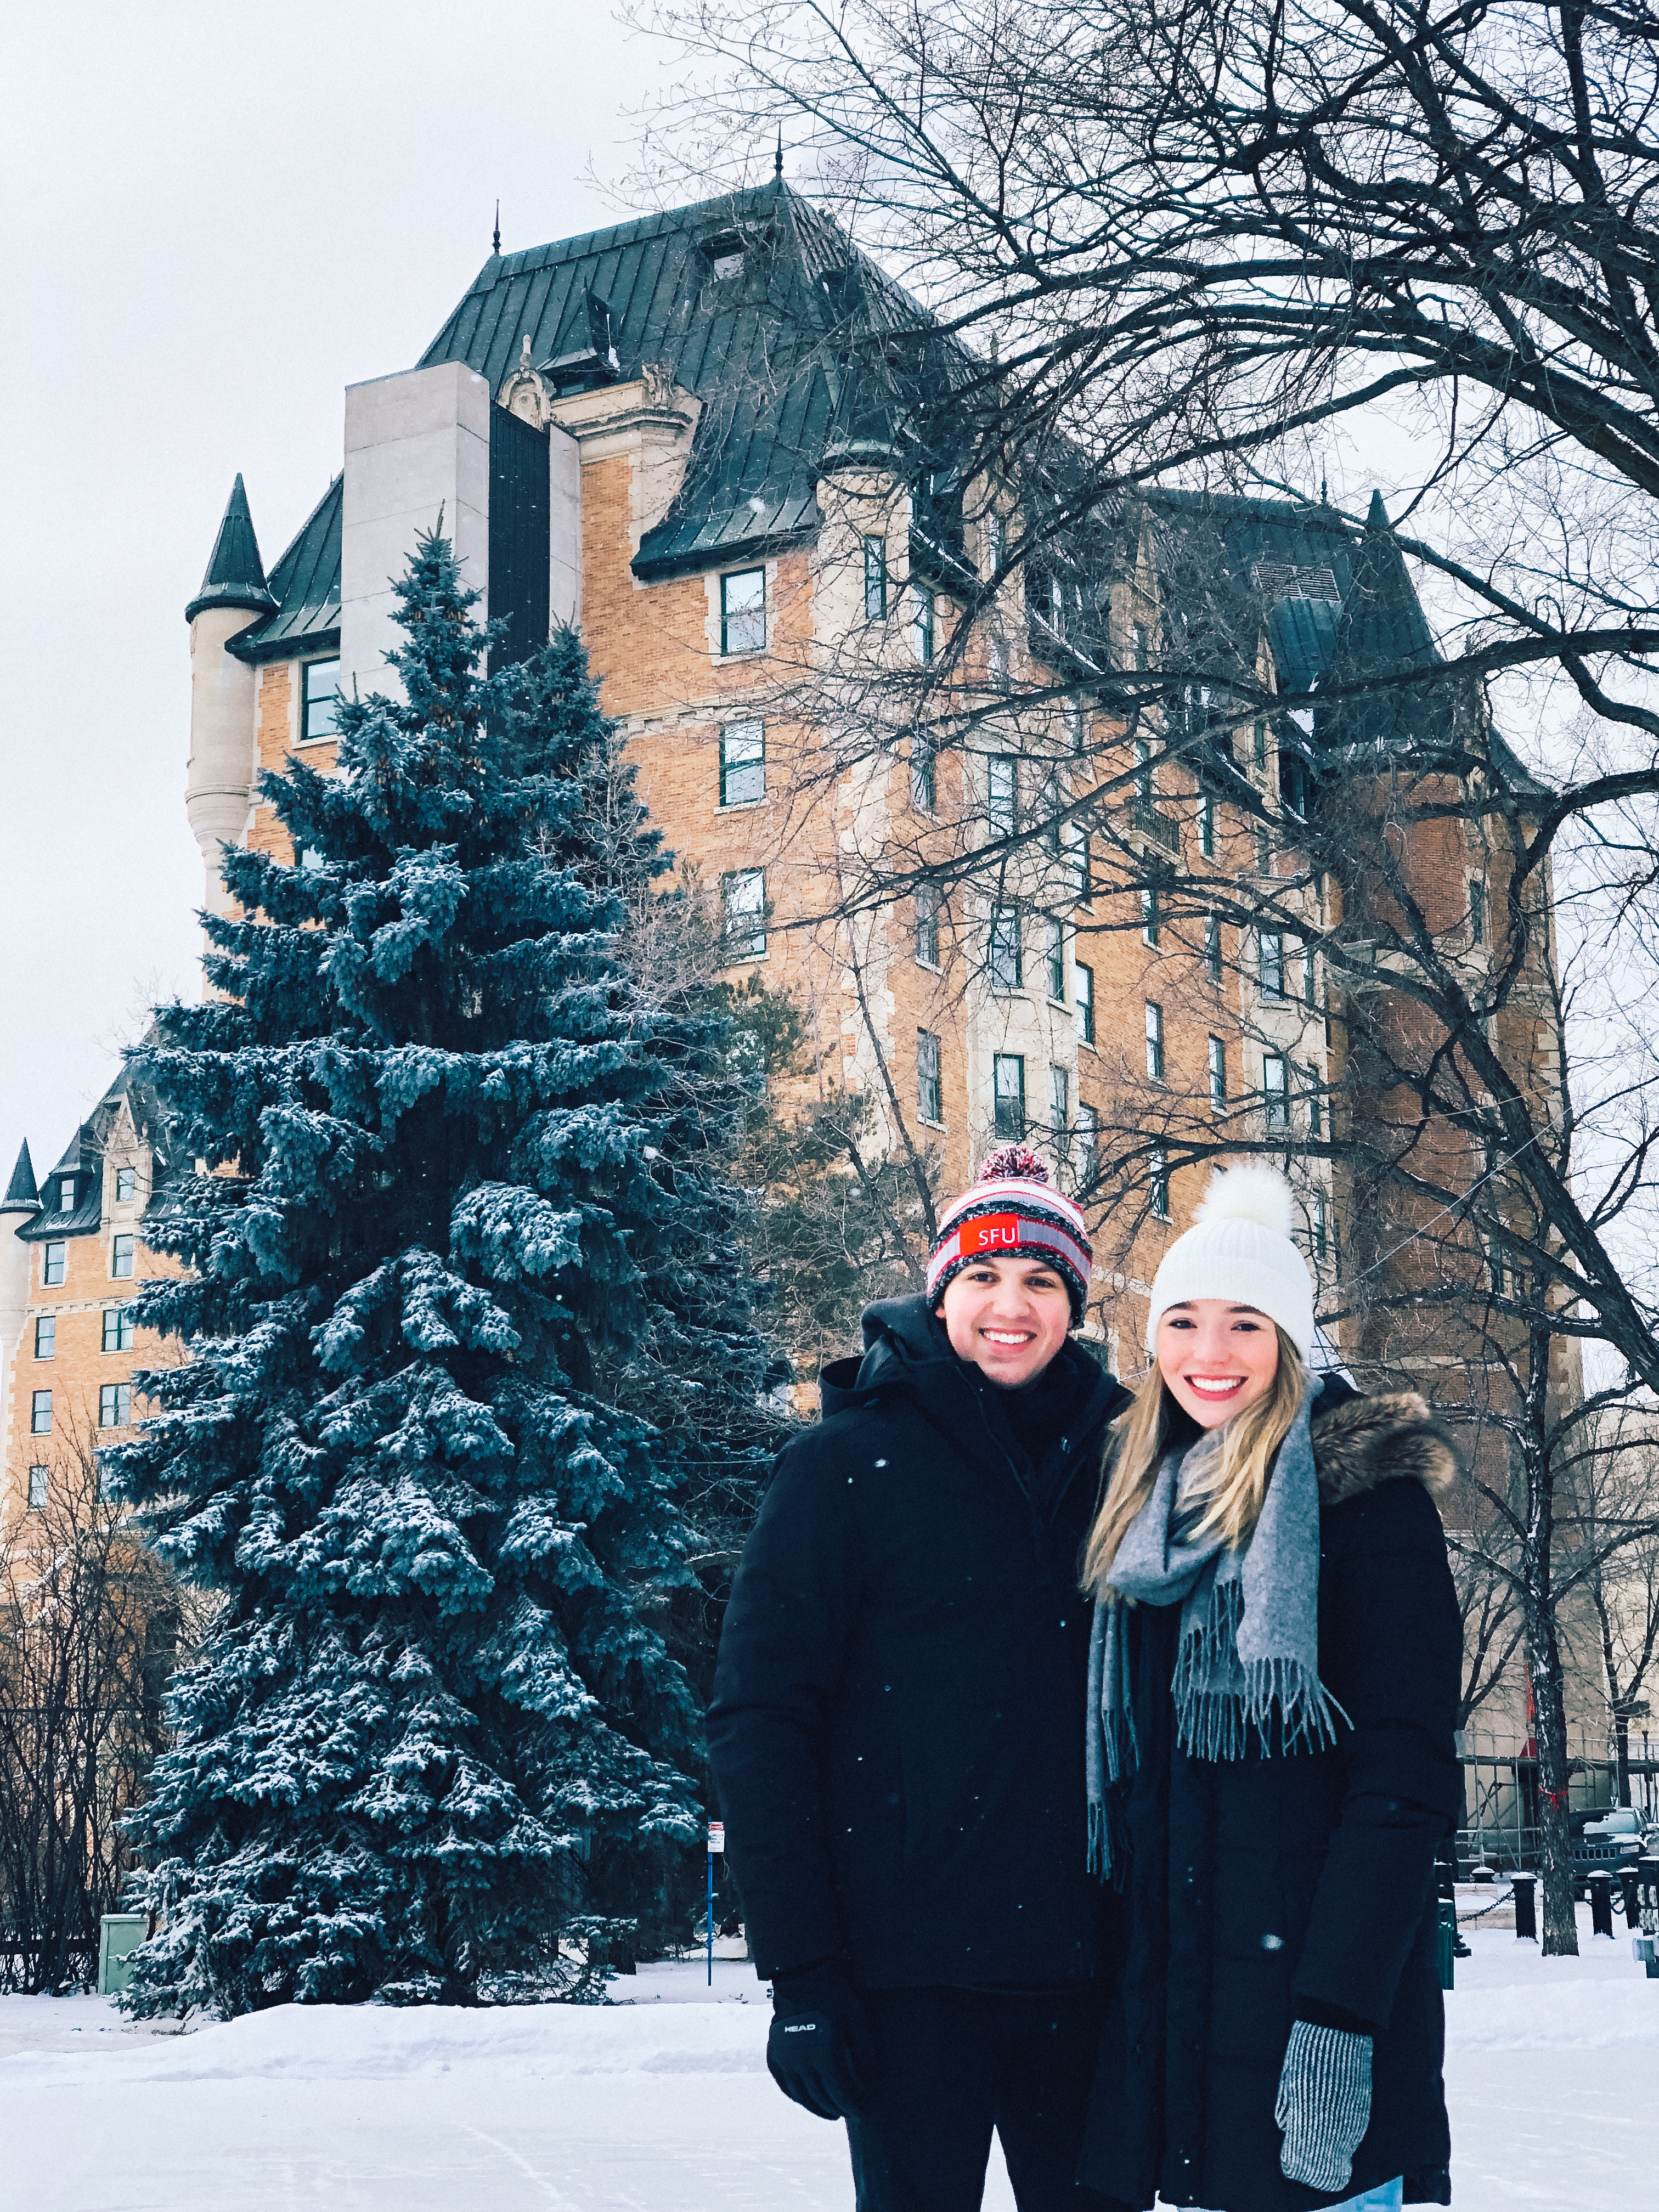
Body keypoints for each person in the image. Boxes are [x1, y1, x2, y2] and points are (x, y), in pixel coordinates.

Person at [708, 1146, 1131, 2210]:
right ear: (942, 1294)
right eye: (983, 1277)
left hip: (1095, 1974)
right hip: (908, 1984)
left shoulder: (1132, 1461)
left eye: (1041, 1280)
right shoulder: (843, 1467)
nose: (1011, 1304)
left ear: (1072, 1302)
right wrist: (801, 1977)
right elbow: (762, 1723)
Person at [1075, 1164, 1464, 2212]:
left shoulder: (1367, 1504)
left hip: (1319, 2006)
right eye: (1185, 1322)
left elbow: (1406, 1781)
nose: (1210, 1354)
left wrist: (1337, 2013)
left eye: (1246, 1325)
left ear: (1291, 1341)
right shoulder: (1139, 1518)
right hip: (1185, 2026)